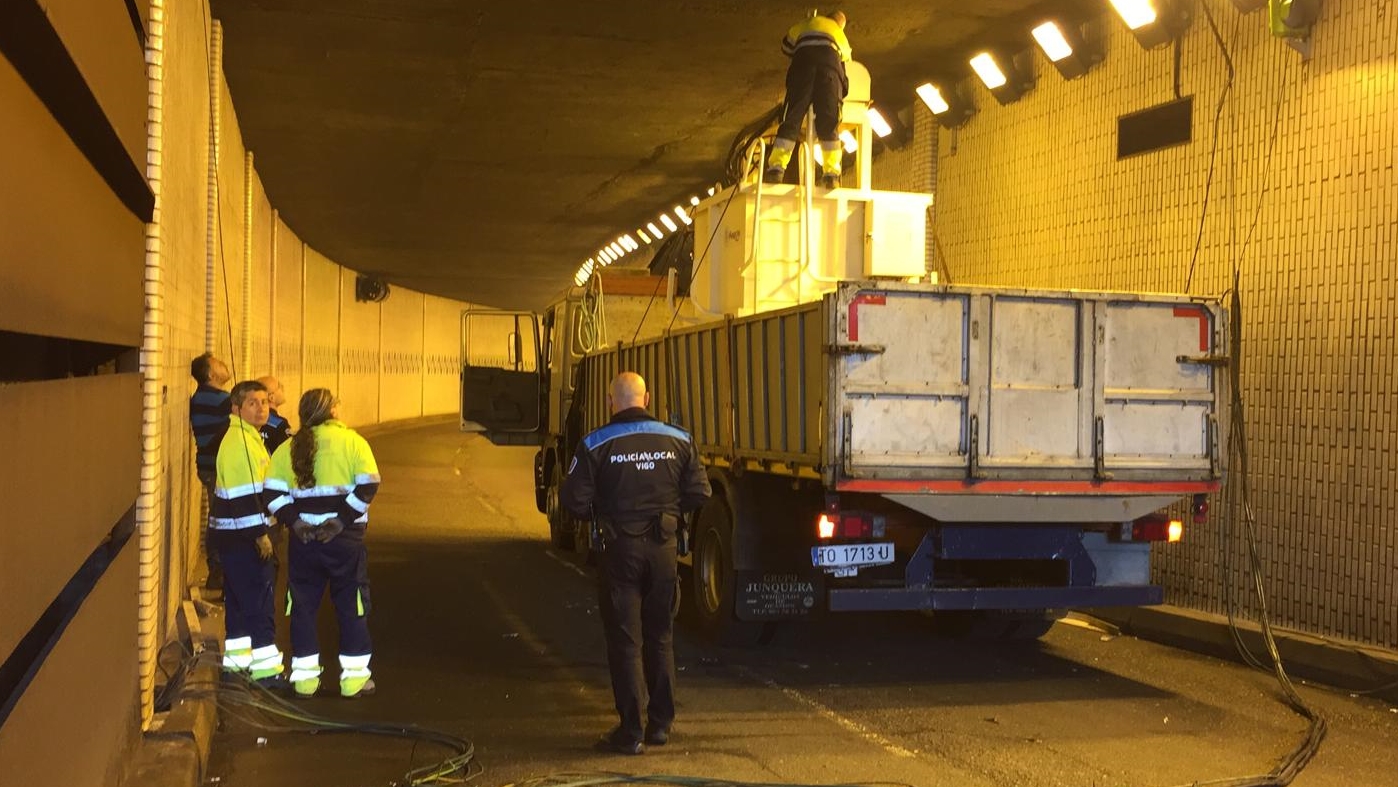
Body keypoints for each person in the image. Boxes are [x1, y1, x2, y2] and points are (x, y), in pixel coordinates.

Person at [560, 372, 711, 755]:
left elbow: (573, 501)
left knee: (626, 642)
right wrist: (669, 512)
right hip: (664, 550)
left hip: (619, 551)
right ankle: (660, 725)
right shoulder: (679, 439)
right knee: (660, 638)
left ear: (612, 402)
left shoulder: (595, 443)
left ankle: (631, 732)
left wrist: (604, 512)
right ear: (648, 397)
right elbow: (700, 493)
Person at [265, 389, 381, 699]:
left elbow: (272, 495)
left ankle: (304, 680)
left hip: (304, 542)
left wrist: (297, 522)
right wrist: (340, 520)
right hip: (344, 541)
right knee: (351, 605)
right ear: (332, 410)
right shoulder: (354, 443)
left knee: (302, 607)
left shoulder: (288, 449)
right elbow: (369, 485)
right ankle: (354, 681)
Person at [210, 380, 284, 685]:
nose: (261, 408)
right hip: (244, 539)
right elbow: (244, 496)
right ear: (236, 408)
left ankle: (236, 665)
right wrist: (260, 534)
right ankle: (267, 671)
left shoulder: (248, 438)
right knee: (258, 602)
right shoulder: (239, 444)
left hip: (232, 538)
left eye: (264, 401)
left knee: (240, 603)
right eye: (252, 403)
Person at [764, 10, 852, 189]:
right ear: (840, 24)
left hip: (802, 71)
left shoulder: (806, 23)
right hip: (829, 74)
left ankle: (776, 170)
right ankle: (831, 176)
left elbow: (786, 47)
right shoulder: (839, 34)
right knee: (829, 124)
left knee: (792, 119)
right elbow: (844, 60)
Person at [190, 352, 233, 589]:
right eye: (218, 363)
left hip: (208, 466)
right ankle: (217, 569)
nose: (224, 364)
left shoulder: (201, 398)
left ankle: (217, 568)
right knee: (221, 518)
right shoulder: (220, 400)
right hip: (219, 467)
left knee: (218, 516)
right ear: (210, 374)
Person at [257, 375, 293, 454]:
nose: (283, 388)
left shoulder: (250, 420)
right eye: (279, 386)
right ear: (271, 397)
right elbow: (290, 453)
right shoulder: (279, 424)